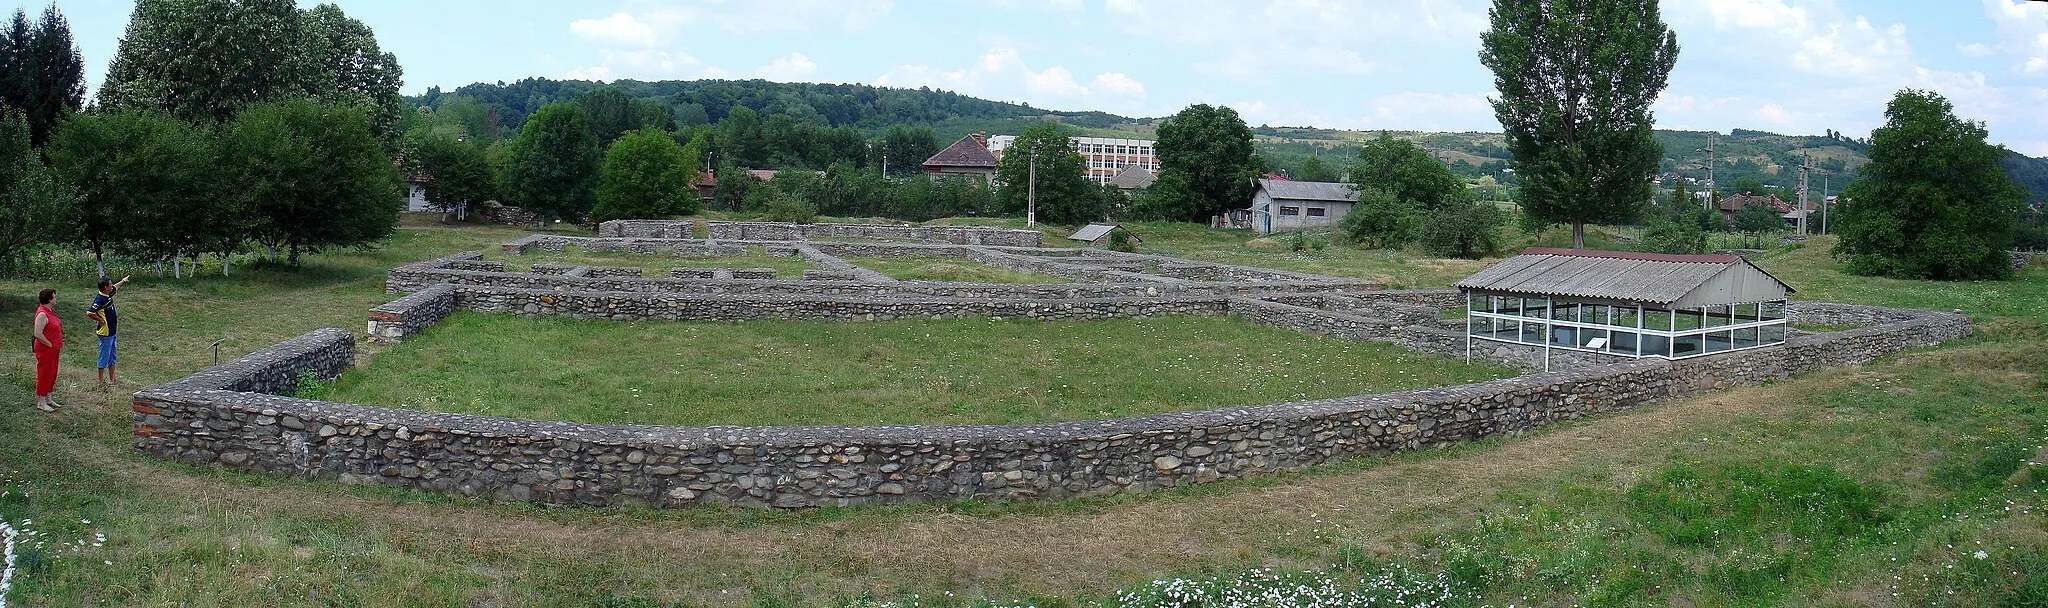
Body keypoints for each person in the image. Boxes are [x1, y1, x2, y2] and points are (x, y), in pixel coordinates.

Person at [85, 275, 129, 389]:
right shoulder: (100, 299)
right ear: (105, 287)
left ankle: (112, 380)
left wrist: (123, 281)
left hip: (112, 332)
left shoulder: (107, 294)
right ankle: (100, 382)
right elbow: (90, 312)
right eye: (110, 284)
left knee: (112, 356)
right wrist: (100, 320)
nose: (112, 285)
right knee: (104, 356)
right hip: (105, 333)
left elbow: (115, 287)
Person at [30, 288, 61, 412]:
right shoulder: (42, 313)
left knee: (52, 373)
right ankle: (41, 402)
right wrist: (49, 344)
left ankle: (48, 398)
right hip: (46, 349)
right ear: (49, 299)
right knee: (44, 374)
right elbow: (37, 333)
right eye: (54, 297)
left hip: (54, 349)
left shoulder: (50, 311)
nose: (55, 299)